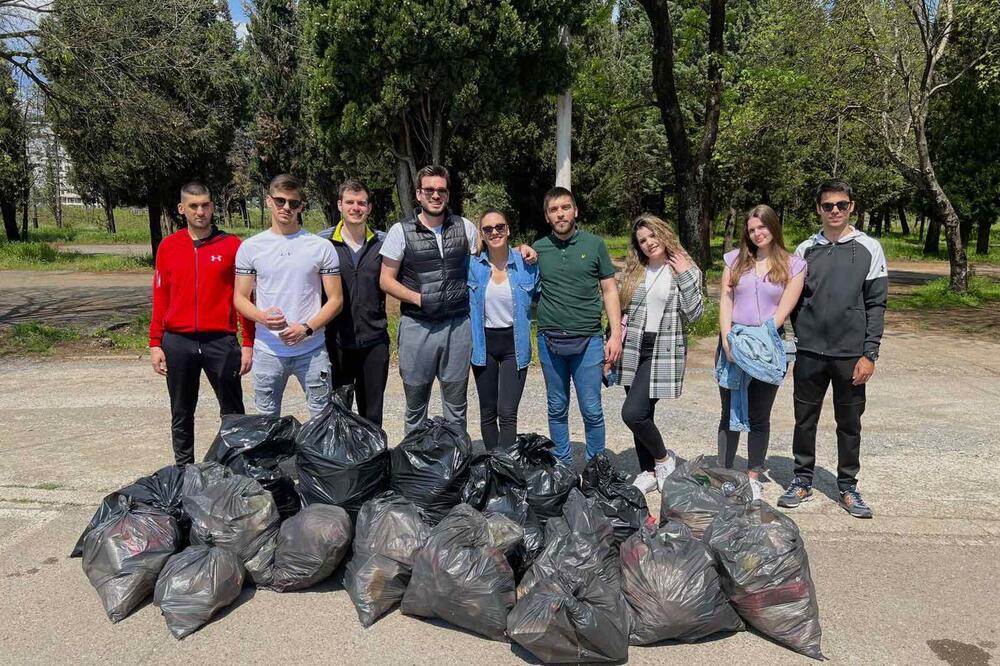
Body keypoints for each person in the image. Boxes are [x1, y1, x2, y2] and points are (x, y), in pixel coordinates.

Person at [379, 164, 536, 433]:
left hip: (457, 328)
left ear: (448, 195)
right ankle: (416, 468)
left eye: (441, 190)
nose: (436, 195)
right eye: (429, 190)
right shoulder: (400, 231)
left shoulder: (464, 228)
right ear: (418, 194)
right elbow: (386, 280)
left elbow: (492, 252)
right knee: (416, 406)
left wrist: (522, 249)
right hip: (417, 327)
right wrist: (420, 298)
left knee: (456, 407)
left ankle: (456, 465)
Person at [778, 179, 887, 519]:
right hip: (810, 352)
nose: (835, 211)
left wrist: (869, 353)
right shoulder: (804, 250)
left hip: (850, 355)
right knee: (804, 419)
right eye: (828, 206)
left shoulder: (869, 248)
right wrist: (797, 337)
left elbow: (877, 304)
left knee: (849, 422)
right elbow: (791, 300)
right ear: (818, 209)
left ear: (851, 206)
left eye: (841, 205)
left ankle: (848, 486)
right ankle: (801, 480)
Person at [149, 182, 255, 465]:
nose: (200, 211)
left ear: (212, 207)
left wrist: (248, 343)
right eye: (193, 206)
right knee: (182, 411)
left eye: (205, 205)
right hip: (178, 341)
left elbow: (245, 297)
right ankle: (184, 471)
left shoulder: (232, 245)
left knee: (233, 411)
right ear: (181, 209)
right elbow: (160, 295)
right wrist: (155, 343)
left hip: (220, 340)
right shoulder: (169, 246)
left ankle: (235, 470)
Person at [234, 174, 343, 418]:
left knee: (322, 419)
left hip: (312, 350)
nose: (287, 208)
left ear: (301, 206)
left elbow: (336, 300)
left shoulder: (320, 247)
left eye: (294, 203)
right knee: (265, 421)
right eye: (280, 201)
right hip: (268, 350)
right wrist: (262, 317)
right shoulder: (251, 247)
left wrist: (307, 328)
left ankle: (318, 458)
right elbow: (240, 298)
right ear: (269, 201)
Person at [717, 204, 806, 497]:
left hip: (768, 343)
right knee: (729, 410)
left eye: (762, 227)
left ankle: (753, 474)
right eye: (752, 229)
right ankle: (725, 473)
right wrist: (728, 340)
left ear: (773, 227)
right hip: (734, 340)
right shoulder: (734, 260)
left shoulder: (794, 265)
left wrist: (760, 339)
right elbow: (726, 301)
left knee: (759, 414)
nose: (757, 234)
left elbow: (784, 309)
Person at [614, 215, 703, 493]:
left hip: (661, 348)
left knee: (633, 413)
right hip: (633, 347)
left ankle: (664, 459)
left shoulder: (683, 267)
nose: (649, 243)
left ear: (664, 234)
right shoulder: (635, 271)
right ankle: (648, 470)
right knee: (644, 412)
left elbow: (695, 314)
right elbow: (623, 309)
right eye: (642, 240)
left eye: (653, 236)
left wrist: (687, 274)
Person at [534, 186, 622, 465]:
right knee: (557, 407)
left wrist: (615, 334)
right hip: (549, 340)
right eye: (553, 209)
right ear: (547, 216)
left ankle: (596, 467)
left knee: (592, 409)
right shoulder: (538, 249)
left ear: (575, 210)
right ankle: (562, 463)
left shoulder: (594, 244)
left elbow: (609, 290)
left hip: (589, 341)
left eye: (565, 207)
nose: (560, 214)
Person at [319, 180, 389, 425]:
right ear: (339, 205)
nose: (356, 207)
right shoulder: (322, 243)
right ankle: (342, 463)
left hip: (374, 341)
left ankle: (373, 462)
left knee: (372, 415)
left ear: (369, 208)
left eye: (362, 203)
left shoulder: (384, 243)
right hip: (336, 341)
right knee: (338, 413)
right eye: (350, 202)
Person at [467, 208, 538, 450]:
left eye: (499, 227)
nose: (495, 232)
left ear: (507, 230)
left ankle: (505, 467)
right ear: (482, 234)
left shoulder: (527, 263)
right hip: (483, 344)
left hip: (514, 345)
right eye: (488, 229)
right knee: (488, 411)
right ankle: (492, 466)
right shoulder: (472, 266)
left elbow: (543, 296)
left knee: (507, 412)